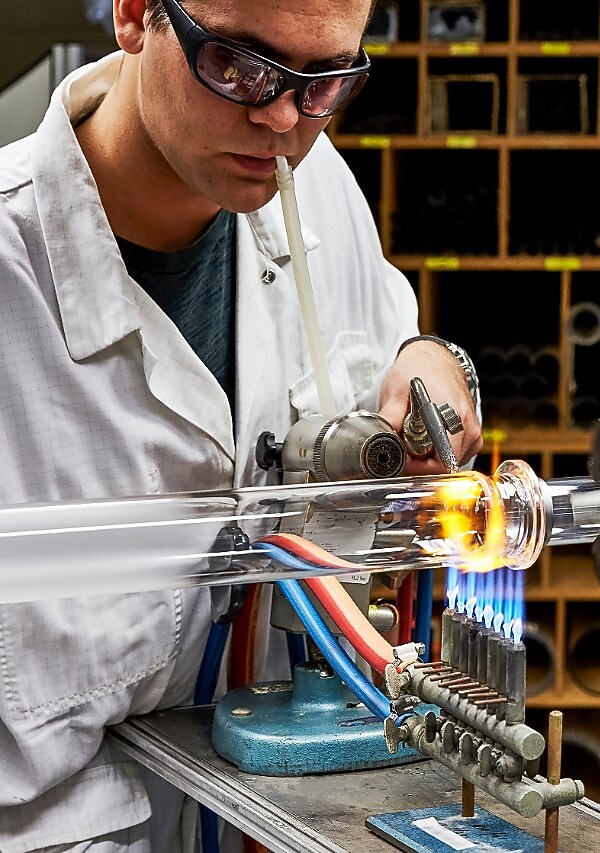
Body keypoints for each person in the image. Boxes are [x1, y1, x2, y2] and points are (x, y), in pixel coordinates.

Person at [0, 0, 482, 849]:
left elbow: (391, 346)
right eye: (238, 66)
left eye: (326, 79)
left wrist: (435, 358)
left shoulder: (316, 184)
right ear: (134, 15)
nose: (283, 120)